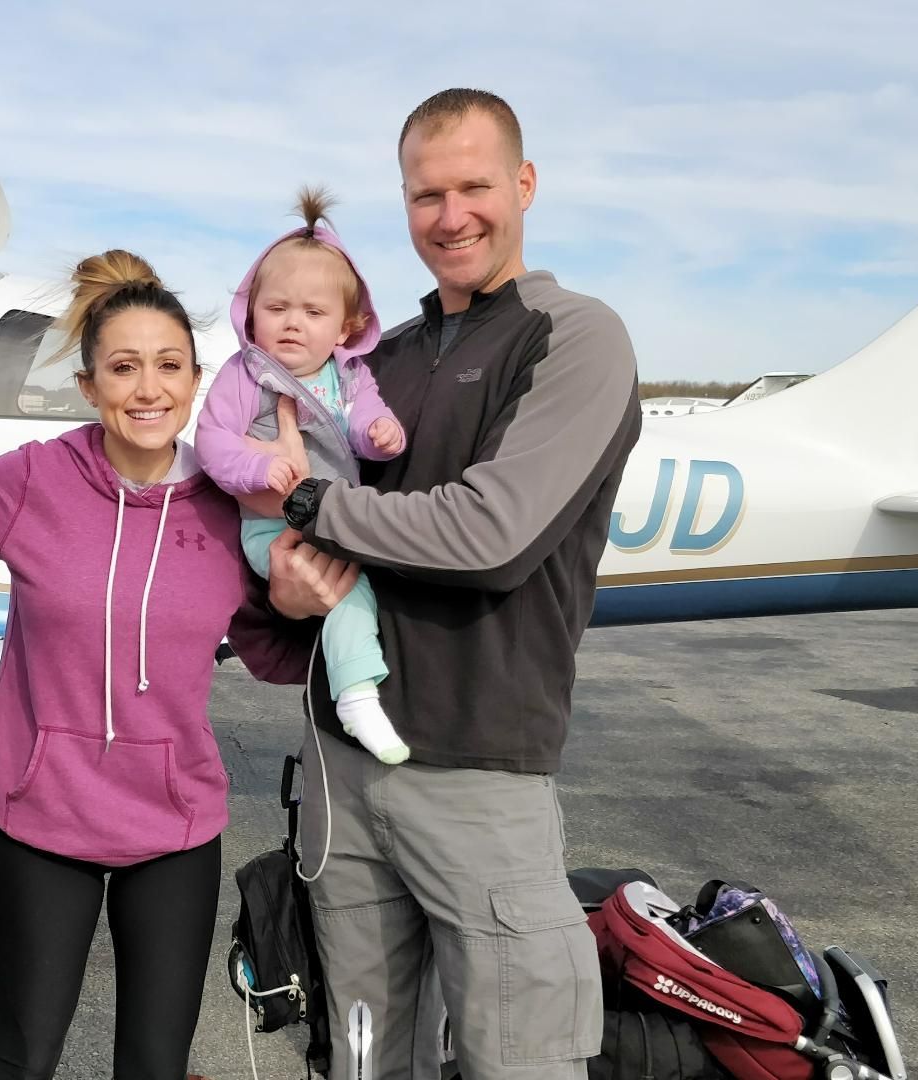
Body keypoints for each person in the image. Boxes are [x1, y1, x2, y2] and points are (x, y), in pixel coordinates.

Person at [263, 89, 644, 1079]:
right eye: (427, 194)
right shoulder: (378, 358)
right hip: (345, 775)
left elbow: (491, 535)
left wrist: (309, 505)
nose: (452, 214)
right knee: (354, 1061)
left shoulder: (575, 335)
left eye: (475, 185)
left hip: (478, 775)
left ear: (524, 185)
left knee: (517, 1059)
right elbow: (287, 544)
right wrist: (282, 586)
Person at [0, 250, 308, 1080]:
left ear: (197, 382)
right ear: (89, 387)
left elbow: (272, 653)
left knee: (156, 1067)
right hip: (41, 819)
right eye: (123, 368)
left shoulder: (235, 510)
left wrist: (299, 609)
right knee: (24, 1061)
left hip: (174, 827)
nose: (148, 389)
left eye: (168, 367)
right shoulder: (32, 480)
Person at [195, 185, 411, 764]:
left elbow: (368, 422)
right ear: (251, 312)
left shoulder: (351, 377)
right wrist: (260, 465)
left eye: (313, 313)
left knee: (356, 595)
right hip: (272, 530)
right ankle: (358, 696)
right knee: (351, 597)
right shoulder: (248, 375)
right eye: (277, 308)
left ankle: (356, 691)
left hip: (338, 521)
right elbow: (213, 441)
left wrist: (381, 436)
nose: (292, 324)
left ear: (345, 328)